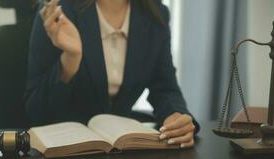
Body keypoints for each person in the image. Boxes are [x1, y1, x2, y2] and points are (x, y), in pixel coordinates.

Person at [25, 0, 199, 148]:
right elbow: (37, 112)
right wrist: (70, 60)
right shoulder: (57, 13)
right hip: (65, 153)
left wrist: (175, 116)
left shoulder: (156, 14)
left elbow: (164, 86)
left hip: (123, 151)